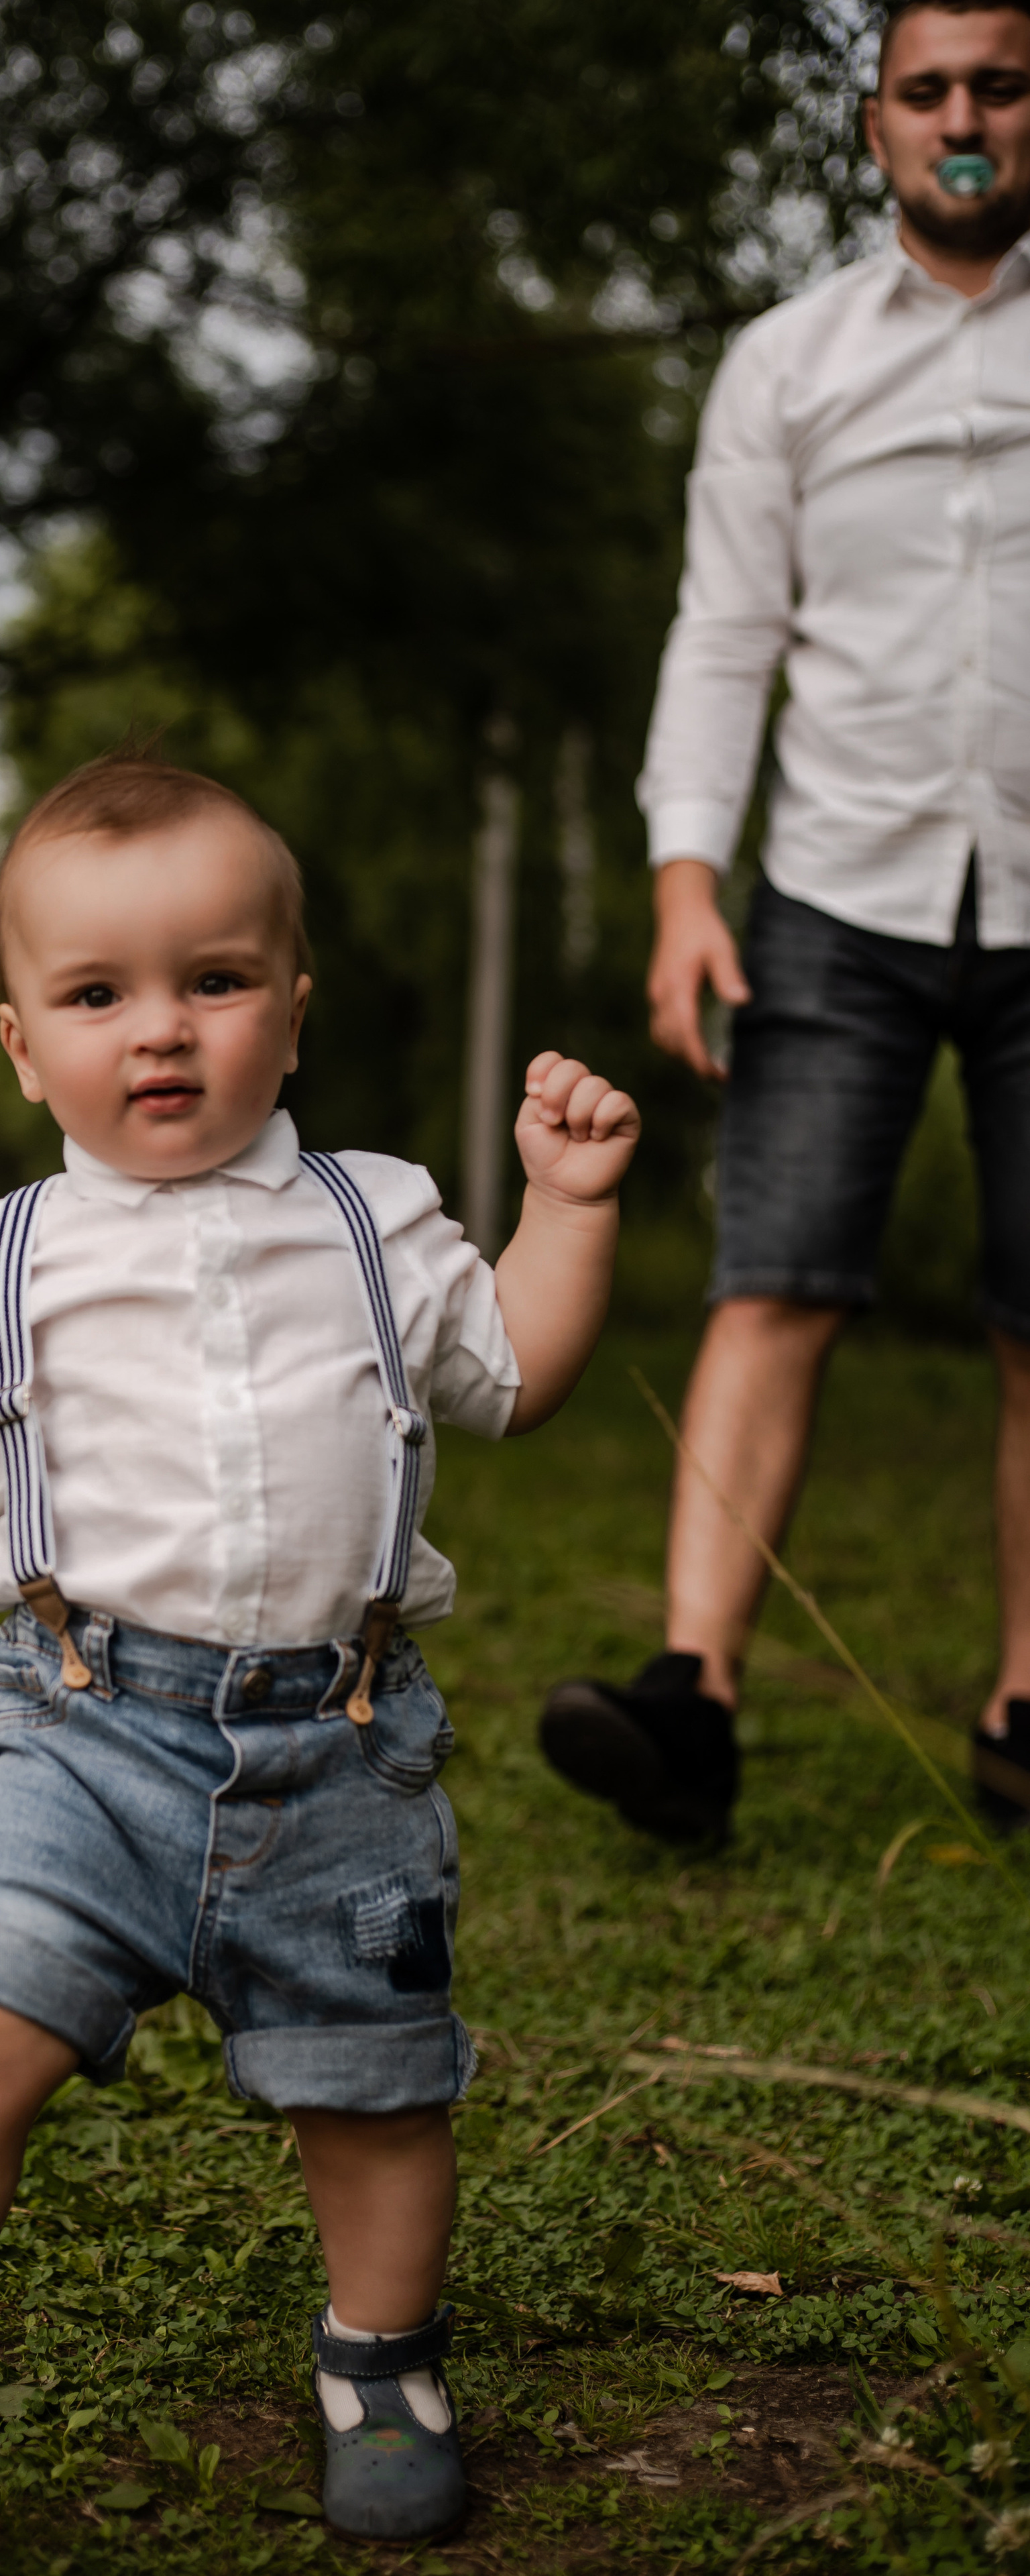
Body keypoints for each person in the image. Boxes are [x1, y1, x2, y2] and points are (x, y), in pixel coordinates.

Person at [0, 751, 640, 2546]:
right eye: (98, 996)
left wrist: (574, 1207)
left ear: (290, 1015)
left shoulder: (377, 1219)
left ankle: (381, 2361)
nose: (161, 1031)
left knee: (371, 2091)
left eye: (214, 982)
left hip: (342, 1746)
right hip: (81, 1729)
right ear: (21, 1042)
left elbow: (516, 1374)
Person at [539, 0, 1030, 1846]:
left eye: (998, 85)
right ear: (879, 121)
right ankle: (695, 1701)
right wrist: (684, 879)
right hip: (837, 891)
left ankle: (1024, 1709)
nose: (964, 118)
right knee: (776, 1282)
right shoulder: (789, 363)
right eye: (929, 91)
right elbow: (725, 634)